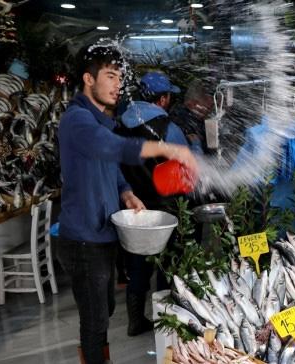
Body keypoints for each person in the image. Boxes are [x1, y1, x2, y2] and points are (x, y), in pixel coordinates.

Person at [56, 45, 198, 364]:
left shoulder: (101, 120)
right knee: (94, 324)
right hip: (82, 239)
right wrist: (171, 150)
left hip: (102, 235)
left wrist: (126, 192)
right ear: (88, 79)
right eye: (109, 76)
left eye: (119, 77)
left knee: (103, 313)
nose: (116, 84)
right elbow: (113, 148)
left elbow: (111, 164)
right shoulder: (77, 120)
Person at [115, 71, 189, 337]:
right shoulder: (170, 129)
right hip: (167, 208)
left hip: (133, 208)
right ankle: (166, 322)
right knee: (169, 265)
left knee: (138, 265)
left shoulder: (119, 125)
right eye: (169, 97)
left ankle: (136, 320)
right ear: (163, 98)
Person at [168, 79, 215, 152]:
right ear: (193, 103)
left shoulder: (200, 119)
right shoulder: (181, 121)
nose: (212, 101)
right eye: (206, 98)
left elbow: (213, 149)